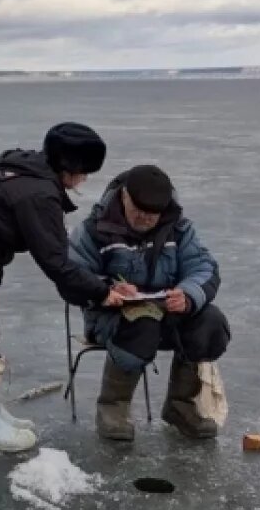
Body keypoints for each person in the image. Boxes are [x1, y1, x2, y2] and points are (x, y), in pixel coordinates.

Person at [0, 123, 137, 452]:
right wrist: (102, 292)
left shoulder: (27, 171)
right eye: (85, 172)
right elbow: (56, 263)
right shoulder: (38, 194)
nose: (85, 180)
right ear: (73, 167)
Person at [69, 164, 230, 441]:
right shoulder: (95, 229)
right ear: (124, 196)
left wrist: (187, 295)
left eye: (152, 214)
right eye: (138, 210)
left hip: (167, 312)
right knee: (142, 322)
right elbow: (72, 275)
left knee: (210, 322)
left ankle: (180, 405)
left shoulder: (180, 229)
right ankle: (113, 406)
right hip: (111, 317)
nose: (144, 218)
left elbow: (203, 268)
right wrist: (107, 290)